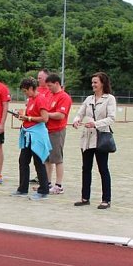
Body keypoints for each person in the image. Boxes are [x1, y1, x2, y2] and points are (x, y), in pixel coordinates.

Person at [72, 72, 116, 209]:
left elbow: (111, 118)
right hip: (87, 138)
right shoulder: (89, 99)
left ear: (102, 83)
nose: (93, 85)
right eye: (92, 82)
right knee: (86, 168)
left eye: (96, 82)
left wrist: (95, 124)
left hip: (101, 138)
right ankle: (85, 198)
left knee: (103, 168)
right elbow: (80, 113)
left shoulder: (109, 99)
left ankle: (106, 200)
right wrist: (76, 120)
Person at [11, 78, 51, 200]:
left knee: (38, 162)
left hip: (37, 135)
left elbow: (45, 118)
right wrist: (22, 116)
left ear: (31, 88)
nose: (25, 94)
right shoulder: (31, 100)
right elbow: (30, 115)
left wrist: (28, 118)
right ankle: (22, 189)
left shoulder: (40, 99)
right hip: (28, 134)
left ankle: (43, 191)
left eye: (25, 91)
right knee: (23, 161)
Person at [44, 73, 72, 194]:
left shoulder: (64, 97)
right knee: (46, 159)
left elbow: (60, 115)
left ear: (57, 83)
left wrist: (46, 115)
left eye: (50, 85)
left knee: (57, 159)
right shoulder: (49, 95)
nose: (48, 88)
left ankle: (58, 185)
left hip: (57, 131)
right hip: (46, 130)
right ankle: (47, 183)